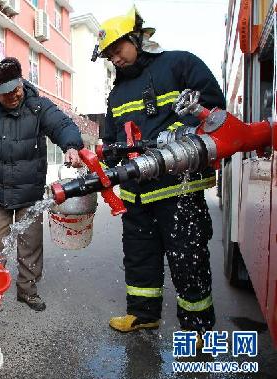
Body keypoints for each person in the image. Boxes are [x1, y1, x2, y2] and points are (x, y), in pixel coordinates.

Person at [93, 7, 224, 347]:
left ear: (138, 39)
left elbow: (213, 111)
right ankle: (143, 315)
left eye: (118, 49)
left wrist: (180, 135)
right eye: (109, 55)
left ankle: (198, 329)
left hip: (178, 189)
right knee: (139, 256)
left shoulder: (180, 64)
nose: (115, 58)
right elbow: (110, 138)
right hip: (135, 193)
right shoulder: (117, 92)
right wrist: (104, 154)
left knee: (188, 258)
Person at [0, 57, 84, 312]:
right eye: (7, 94)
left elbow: (62, 125)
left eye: (17, 89)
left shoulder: (37, 106)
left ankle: (27, 291)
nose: (15, 96)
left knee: (30, 245)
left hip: (31, 193)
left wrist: (71, 145)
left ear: (21, 82)